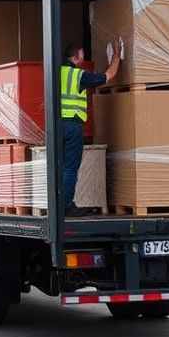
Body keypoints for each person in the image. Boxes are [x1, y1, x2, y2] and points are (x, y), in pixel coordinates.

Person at [61, 41, 121, 215]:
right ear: (75, 57)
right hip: (72, 125)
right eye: (81, 55)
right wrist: (116, 56)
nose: (83, 58)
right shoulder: (79, 75)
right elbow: (108, 76)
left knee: (58, 167)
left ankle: (56, 204)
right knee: (70, 168)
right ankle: (66, 206)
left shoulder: (55, 72)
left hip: (55, 126)